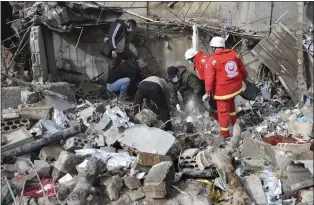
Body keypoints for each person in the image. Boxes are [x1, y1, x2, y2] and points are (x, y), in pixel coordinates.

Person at [184, 37, 248, 140]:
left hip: (223, 91)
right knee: (231, 104)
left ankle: (225, 134)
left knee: (222, 112)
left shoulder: (212, 60)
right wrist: (244, 79)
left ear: (213, 47)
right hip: (235, 88)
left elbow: (209, 79)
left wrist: (208, 92)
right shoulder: (233, 54)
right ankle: (235, 123)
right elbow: (242, 69)